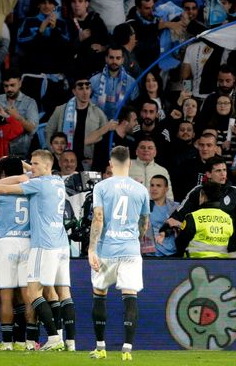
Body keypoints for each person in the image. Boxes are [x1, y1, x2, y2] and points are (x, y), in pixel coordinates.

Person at [0, 150, 73, 351]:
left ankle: (10, 342)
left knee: (10, 295)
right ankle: (31, 341)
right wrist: (26, 166)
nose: (33, 167)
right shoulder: (54, 181)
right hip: (35, 242)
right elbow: (26, 174)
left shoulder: (28, 186)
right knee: (37, 293)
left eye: (36, 163)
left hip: (15, 244)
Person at [87, 145, 150, 361]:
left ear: (111, 165)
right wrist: (136, 238)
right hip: (131, 249)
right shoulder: (141, 190)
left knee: (100, 293)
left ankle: (100, 347)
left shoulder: (102, 187)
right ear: (130, 163)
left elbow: (98, 218)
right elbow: (145, 223)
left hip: (107, 248)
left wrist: (91, 249)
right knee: (130, 296)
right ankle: (127, 349)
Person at [168, 156, 236, 255]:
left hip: (228, 250)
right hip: (199, 250)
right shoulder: (198, 192)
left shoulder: (235, 193)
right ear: (208, 174)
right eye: (218, 171)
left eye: (224, 170)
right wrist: (164, 230)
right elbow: (179, 213)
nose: (223, 174)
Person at [147, 175, 177, 257]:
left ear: (166, 189)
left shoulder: (176, 207)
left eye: (158, 186)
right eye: (152, 185)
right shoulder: (143, 207)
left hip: (172, 253)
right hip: (149, 254)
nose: (154, 188)